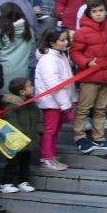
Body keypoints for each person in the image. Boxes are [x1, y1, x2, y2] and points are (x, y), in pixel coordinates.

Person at [70, 1, 107, 154]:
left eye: (101, 11)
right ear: (89, 13)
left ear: (106, 12)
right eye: (95, 11)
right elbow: (75, 53)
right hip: (90, 77)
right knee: (84, 109)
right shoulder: (82, 32)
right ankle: (79, 137)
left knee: (101, 109)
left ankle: (99, 137)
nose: (99, 14)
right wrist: (86, 63)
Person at [34, 27, 74, 171]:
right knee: (50, 130)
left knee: (55, 130)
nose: (66, 43)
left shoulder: (60, 55)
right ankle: (46, 156)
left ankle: (51, 155)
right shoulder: (49, 60)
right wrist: (66, 104)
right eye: (62, 40)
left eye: (66, 39)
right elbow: (55, 85)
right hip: (51, 102)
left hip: (58, 101)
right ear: (52, 42)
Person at [0, 77, 39, 195]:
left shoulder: (31, 103)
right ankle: (6, 183)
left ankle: (23, 181)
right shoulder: (11, 105)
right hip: (17, 140)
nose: (33, 87)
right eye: (30, 85)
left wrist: (38, 130)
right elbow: (11, 121)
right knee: (13, 162)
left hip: (29, 138)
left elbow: (38, 117)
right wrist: (21, 135)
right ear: (22, 91)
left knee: (26, 161)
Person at [0, 3, 34, 86]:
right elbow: (33, 50)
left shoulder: (1, 32)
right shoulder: (29, 30)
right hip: (24, 71)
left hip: (4, 71)